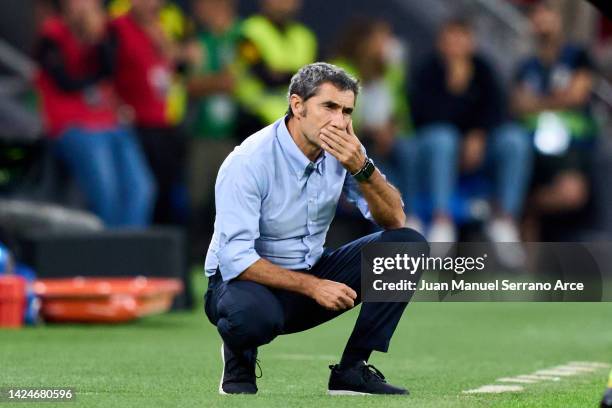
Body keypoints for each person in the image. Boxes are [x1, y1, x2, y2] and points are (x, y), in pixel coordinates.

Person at [204, 63, 427, 395]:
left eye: (347, 111)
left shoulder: (346, 150)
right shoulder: (248, 161)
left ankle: (352, 370)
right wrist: (314, 287)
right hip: (242, 283)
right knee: (251, 318)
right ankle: (239, 355)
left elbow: (394, 220)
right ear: (298, 105)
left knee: (407, 247)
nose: (339, 121)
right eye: (329, 107)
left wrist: (362, 168)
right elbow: (236, 260)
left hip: (308, 273)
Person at [411, 17, 532, 243]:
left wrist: (478, 134)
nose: (455, 45)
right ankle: (441, 219)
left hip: (479, 148)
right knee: (444, 138)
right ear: (440, 42)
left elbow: (496, 110)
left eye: (461, 38)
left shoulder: (483, 70)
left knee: (515, 140)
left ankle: (505, 219)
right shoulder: (427, 71)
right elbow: (424, 116)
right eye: (450, 39)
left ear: (471, 42)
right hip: (435, 148)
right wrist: (454, 88)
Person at [35, 0, 155, 227]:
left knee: (142, 188)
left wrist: (99, 41)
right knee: (106, 191)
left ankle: (129, 250)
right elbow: (66, 81)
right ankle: (107, 253)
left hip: (110, 123)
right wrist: (86, 40)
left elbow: (110, 70)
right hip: (72, 125)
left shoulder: (106, 32)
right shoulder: (51, 35)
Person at [511, 2, 598, 241]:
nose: (542, 21)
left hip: (570, 146)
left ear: (558, 19)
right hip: (531, 144)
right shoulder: (526, 65)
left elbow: (577, 95)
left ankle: (529, 207)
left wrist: (536, 102)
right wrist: (556, 99)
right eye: (536, 16)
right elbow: (518, 104)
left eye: (546, 15)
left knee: (570, 194)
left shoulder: (578, 56)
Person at [332, 18, 419, 230]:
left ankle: (413, 218)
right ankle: (386, 242)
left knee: (408, 150)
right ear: (365, 42)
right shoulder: (340, 70)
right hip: (356, 147)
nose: (388, 43)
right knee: (382, 184)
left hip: (388, 144)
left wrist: (392, 129)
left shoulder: (392, 72)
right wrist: (372, 132)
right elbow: (339, 118)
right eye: (382, 38)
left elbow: (400, 112)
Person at [107, 0, 188, 224]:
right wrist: (116, 105)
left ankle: (159, 250)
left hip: (163, 120)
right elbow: (106, 69)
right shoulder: (117, 25)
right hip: (133, 125)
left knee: (166, 191)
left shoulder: (165, 24)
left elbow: (178, 66)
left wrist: (170, 47)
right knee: (140, 190)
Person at [185, 0, 241, 243]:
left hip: (236, 137)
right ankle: (198, 263)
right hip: (203, 136)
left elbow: (243, 80)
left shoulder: (243, 38)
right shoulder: (199, 42)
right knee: (199, 202)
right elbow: (189, 86)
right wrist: (220, 82)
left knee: (232, 204)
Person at [234, 0, 317, 134]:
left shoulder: (305, 36)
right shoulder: (248, 31)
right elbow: (264, 76)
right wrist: (301, 76)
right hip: (255, 119)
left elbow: (316, 80)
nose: (283, 5)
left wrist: (283, 74)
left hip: (296, 121)